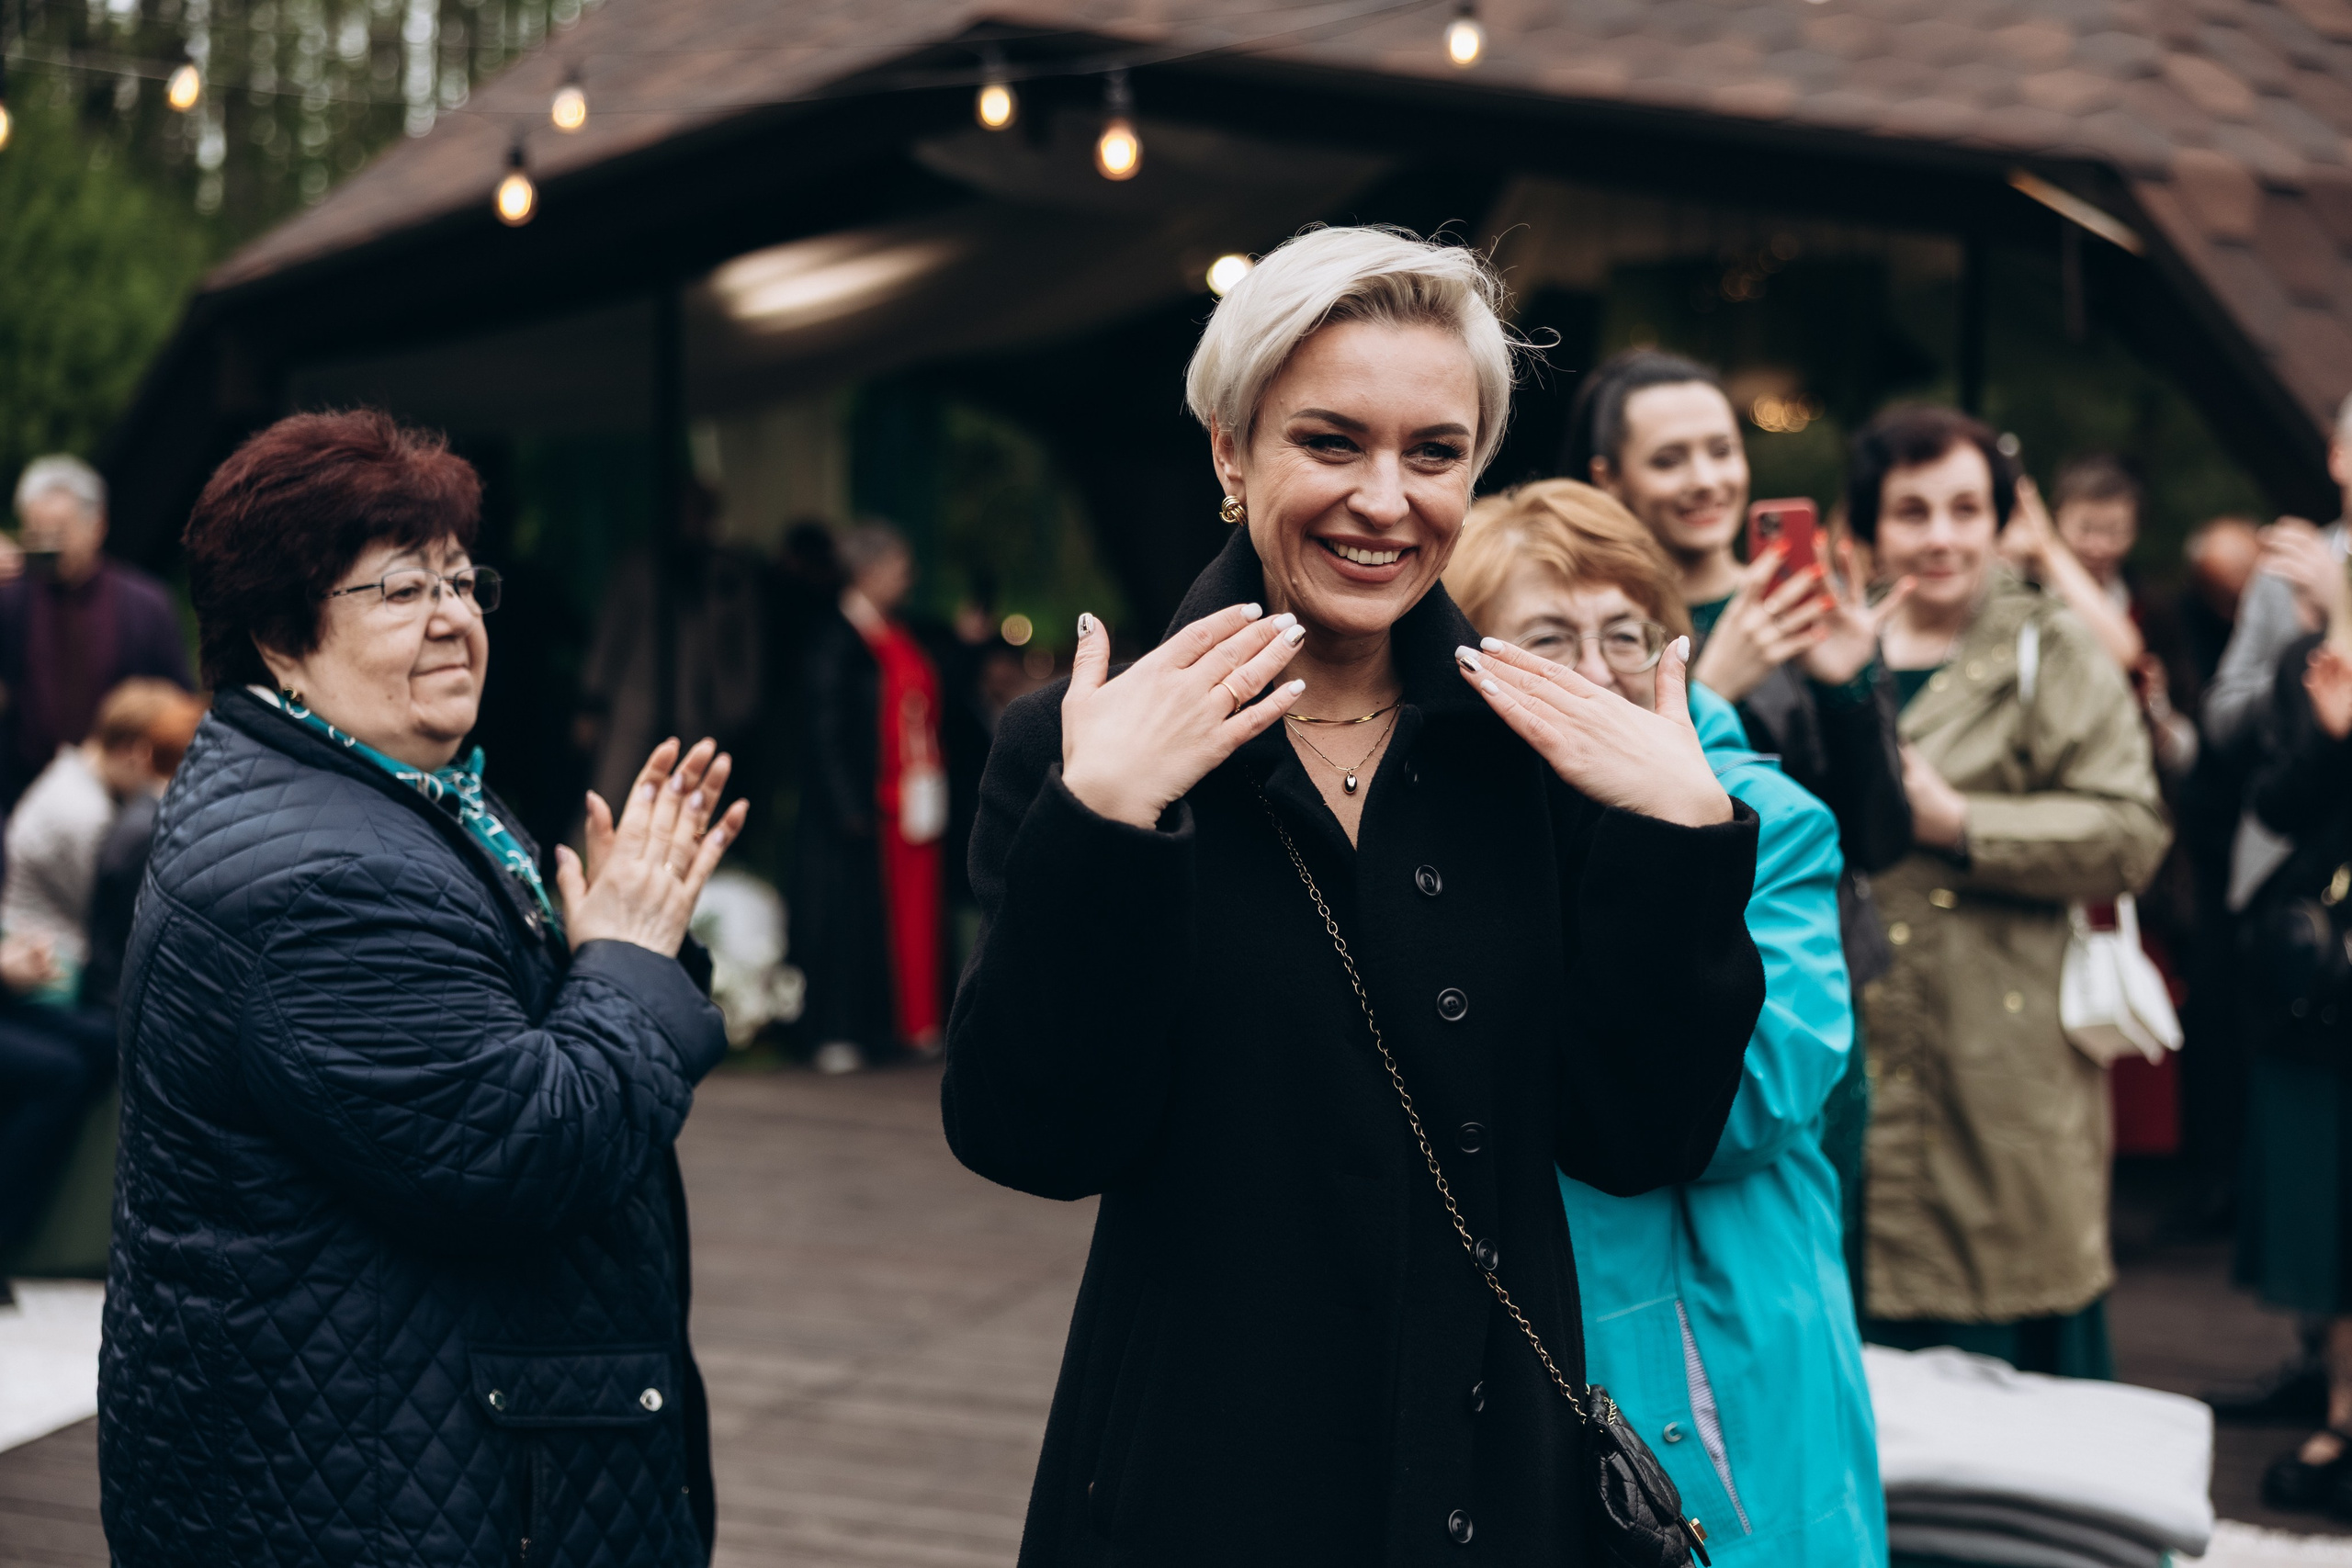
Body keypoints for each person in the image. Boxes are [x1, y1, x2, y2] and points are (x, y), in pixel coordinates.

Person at [943, 226, 1765, 1562]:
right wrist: (1103, 819)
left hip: (1487, 1483)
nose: (1385, 501)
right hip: (1199, 1481)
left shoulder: (1535, 743)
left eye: (1434, 453)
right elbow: (1033, 1136)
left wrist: (1680, 834)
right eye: (1331, 442)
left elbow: (1638, 1135)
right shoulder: (1086, 740)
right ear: (1231, 451)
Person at [100, 410, 748, 1568]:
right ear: (280, 636)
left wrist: (617, 947)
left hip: (398, 1443)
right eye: (400, 590)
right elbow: (522, 1148)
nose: (453, 617)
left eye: (459, 580)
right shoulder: (323, 877)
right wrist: (630, 958)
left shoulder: (398, 785)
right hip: (375, 1493)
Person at [1448, 479, 1884, 1566]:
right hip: (1516, 1341)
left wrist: (1655, 852)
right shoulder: (1442, 839)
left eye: (1627, 635)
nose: (1598, 672)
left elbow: (1755, 1101)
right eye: (1548, 639)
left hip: (1723, 1351)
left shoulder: (1765, 821)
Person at [1566, 347, 1912, 1300]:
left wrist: (1849, 687)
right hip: (1655, 989)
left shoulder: (1806, 603)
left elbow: (1880, 837)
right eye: (1669, 458)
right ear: (1610, 478)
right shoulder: (1594, 621)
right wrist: (1710, 685)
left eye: (1720, 450)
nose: (1706, 478)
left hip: (1802, 987)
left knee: (1802, 1263)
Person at [1851, 404, 2169, 1377]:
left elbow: (2131, 834)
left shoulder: (2052, 645)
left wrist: (1963, 825)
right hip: (1849, 1059)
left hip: (1998, 1062)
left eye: (1965, 509)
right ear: (1870, 526)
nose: (1941, 536)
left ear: (2001, 520)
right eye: (1912, 511)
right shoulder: (1827, 645)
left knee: (2014, 1362)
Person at [0, 682, 205, 1268]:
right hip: (40, 978)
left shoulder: (81, 791)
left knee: (96, 1050)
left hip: (38, 974)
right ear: (138, 751)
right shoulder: (83, 813)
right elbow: (106, 915)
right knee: (76, 1064)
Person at [2234, 607, 2352, 1517]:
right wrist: (2334, 734)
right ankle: (2342, 1410)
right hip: (2325, 988)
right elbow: (2277, 805)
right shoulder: (2315, 656)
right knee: (2329, 1206)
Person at [791, 523, 944, 1074]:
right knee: (846, 921)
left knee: (900, 921)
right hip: (862, 807)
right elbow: (824, 728)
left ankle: (898, 1026)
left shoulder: (894, 632)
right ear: (867, 571)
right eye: (898, 567)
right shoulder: (834, 639)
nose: (907, 578)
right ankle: (841, 1028)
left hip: (906, 802)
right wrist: (848, 806)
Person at [1, 456, 192, 811]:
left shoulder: (145, 605)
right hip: (20, 799)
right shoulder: (11, 599)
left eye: (59, 531)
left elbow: (180, 703)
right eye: (36, 532)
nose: (48, 544)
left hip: (123, 802)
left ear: (97, 525)